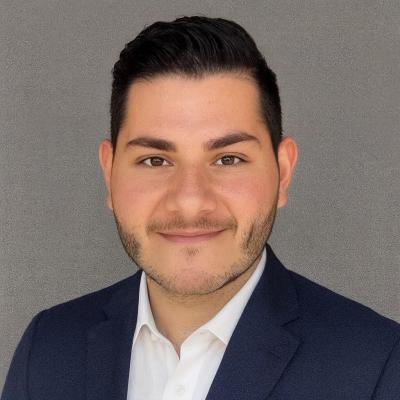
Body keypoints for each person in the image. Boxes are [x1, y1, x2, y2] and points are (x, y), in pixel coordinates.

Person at [2, 15, 399, 400]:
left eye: (228, 159)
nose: (190, 200)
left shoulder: (379, 366)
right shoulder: (48, 348)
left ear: (283, 172)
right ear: (109, 173)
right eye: (155, 161)